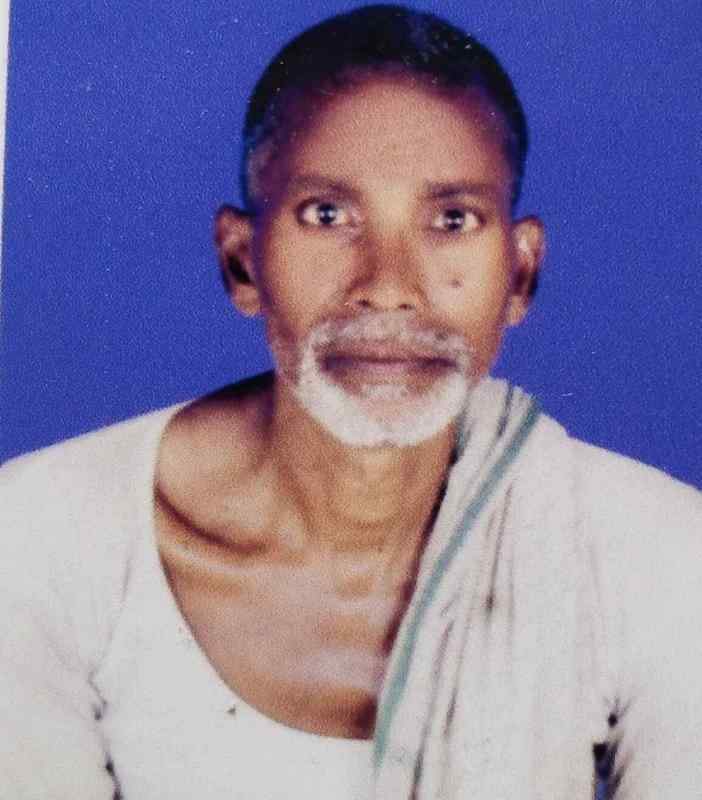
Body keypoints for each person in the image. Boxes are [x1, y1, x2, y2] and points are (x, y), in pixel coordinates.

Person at [1, 5, 700, 799]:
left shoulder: (661, 560)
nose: (389, 287)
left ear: (521, 273)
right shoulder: (42, 541)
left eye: (452, 220)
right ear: (242, 262)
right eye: (327, 215)